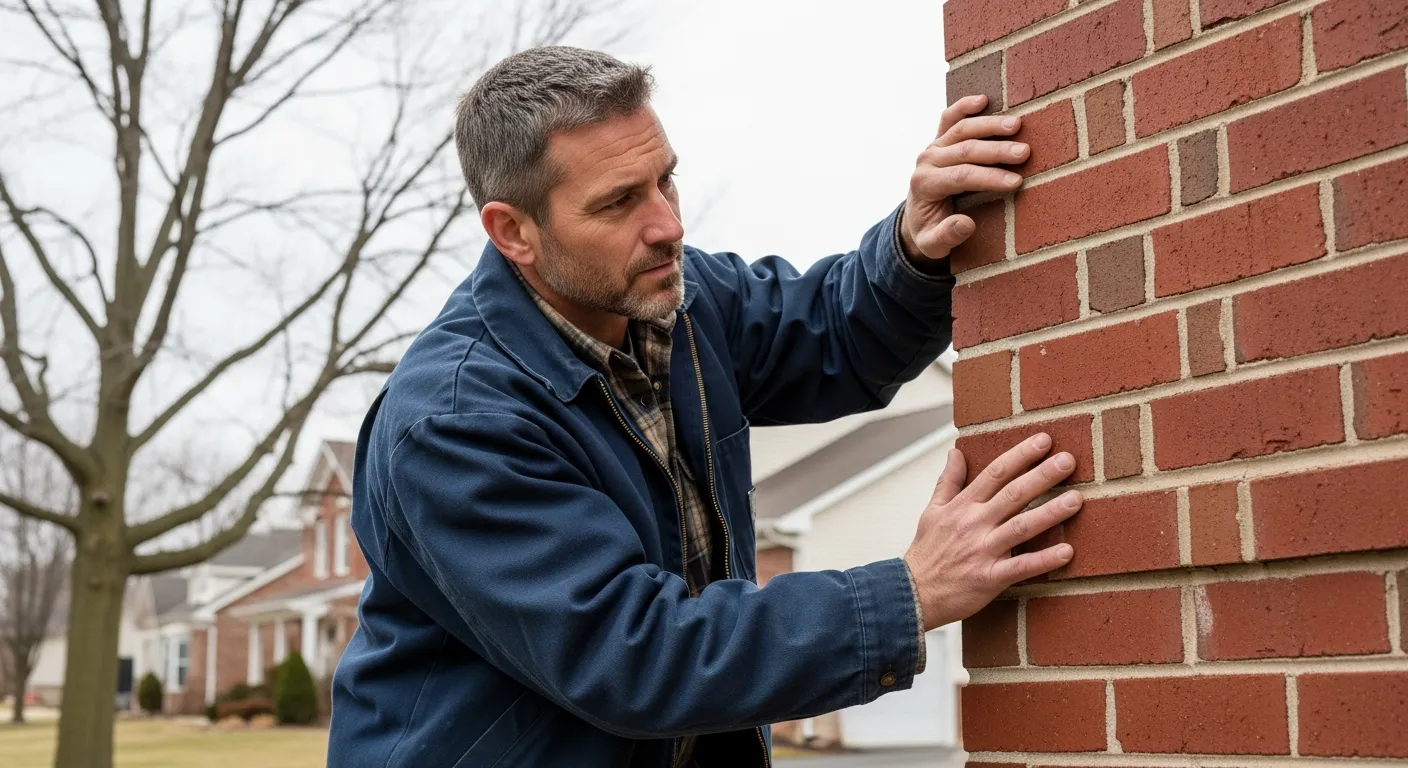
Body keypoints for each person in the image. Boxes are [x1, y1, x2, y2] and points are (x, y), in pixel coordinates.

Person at [327, 46, 1082, 767]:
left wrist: (914, 244)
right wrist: (910, 592)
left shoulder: (681, 303)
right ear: (513, 231)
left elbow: (835, 336)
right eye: (620, 201)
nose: (668, 225)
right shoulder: (454, 421)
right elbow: (633, 656)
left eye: (666, 180)